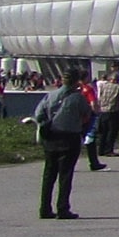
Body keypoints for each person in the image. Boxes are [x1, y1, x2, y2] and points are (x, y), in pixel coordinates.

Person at [33, 75, 92, 219]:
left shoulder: (51, 95)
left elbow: (38, 114)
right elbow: (87, 114)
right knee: (65, 175)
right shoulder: (78, 98)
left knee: (49, 174)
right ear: (76, 82)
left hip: (51, 138)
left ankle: (45, 208)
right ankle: (63, 208)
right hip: (69, 137)